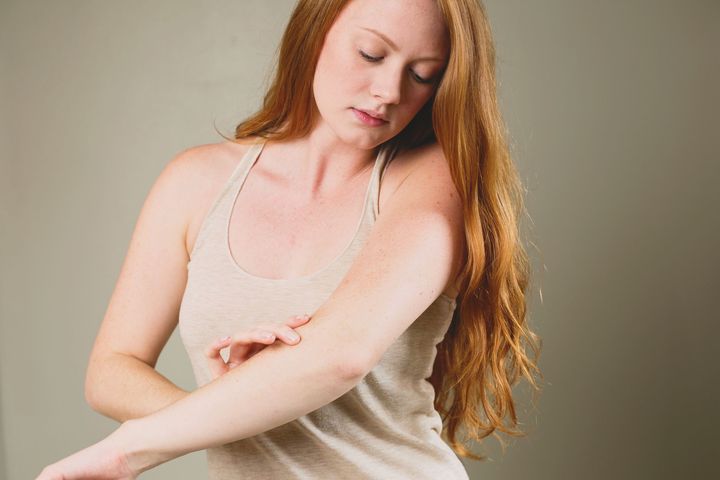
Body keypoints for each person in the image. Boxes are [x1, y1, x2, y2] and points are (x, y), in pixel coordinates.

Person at [36, 0, 542, 478]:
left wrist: (128, 452)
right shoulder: (194, 181)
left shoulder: (435, 180)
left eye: (421, 74)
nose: (389, 89)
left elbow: (340, 354)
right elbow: (109, 371)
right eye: (371, 53)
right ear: (315, 33)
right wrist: (234, 400)